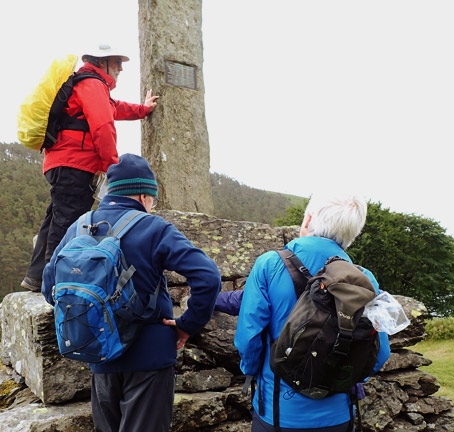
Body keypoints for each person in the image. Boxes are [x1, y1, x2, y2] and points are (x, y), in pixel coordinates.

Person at [41, 154, 221, 432]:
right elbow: (208, 276)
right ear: (142, 195)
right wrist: (188, 324)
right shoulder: (154, 227)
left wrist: (93, 316)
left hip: (97, 353)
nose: (151, 206)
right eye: (152, 199)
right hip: (149, 357)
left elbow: (48, 286)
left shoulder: (78, 227)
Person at [234, 193, 391, 431]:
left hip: (279, 414)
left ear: (307, 220)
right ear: (353, 234)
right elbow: (380, 352)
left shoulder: (269, 265)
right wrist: (344, 377)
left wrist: (251, 372)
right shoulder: (365, 279)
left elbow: (248, 339)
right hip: (338, 416)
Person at [21, 44, 160, 292]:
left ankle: (36, 276)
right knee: (68, 221)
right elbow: (102, 126)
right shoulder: (93, 84)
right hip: (76, 163)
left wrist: (142, 110)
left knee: (55, 217)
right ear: (102, 61)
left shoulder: (88, 85)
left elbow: (114, 108)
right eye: (117, 61)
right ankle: (56, 282)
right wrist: (112, 168)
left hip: (62, 162)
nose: (120, 67)